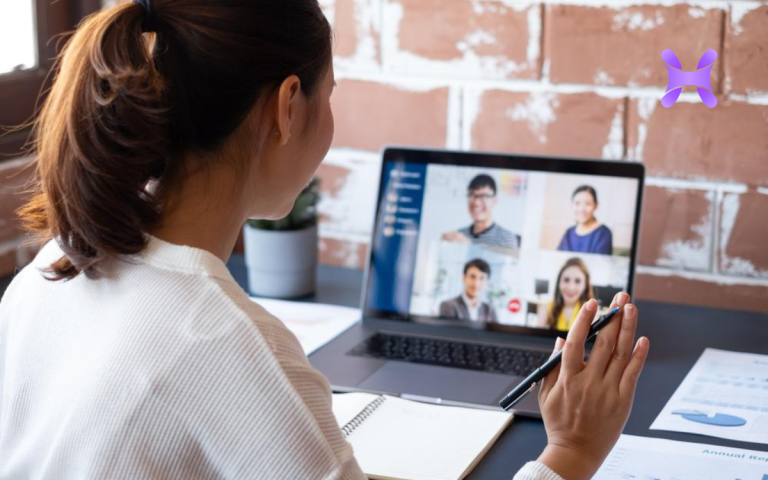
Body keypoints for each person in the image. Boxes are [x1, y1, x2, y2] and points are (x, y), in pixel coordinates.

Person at [0, 2, 649, 480]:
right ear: (288, 106)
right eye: (329, 93)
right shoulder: (226, 349)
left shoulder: (47, 275)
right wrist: (570, 453)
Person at [442, 174, 521, 249]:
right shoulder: (459, 235)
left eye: (483, 196)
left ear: (495, 200)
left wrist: (468, 248)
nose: (476, 202)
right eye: (472, 195)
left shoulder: (506, 238)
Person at [557, 185, 613, 255]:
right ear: (572, 205)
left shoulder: (603, 233)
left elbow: (600, 263)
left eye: (588, 204)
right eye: (577, 203)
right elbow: (558, 258)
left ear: (596, 205)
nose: (582, 209)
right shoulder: (569, 232)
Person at [439, 258, 498, 323]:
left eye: (482, 278)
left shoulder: (490, 311)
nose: (476, 283)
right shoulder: (449, 306)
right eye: (473, 277)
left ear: (486, 282)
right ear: (464, 278)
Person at [544, 258, 595, 331]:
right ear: (559, 282)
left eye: (577, 281)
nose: (571, 288)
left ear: (585, 285)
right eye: (566, 280)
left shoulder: (591, 311)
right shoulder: (547, 308)